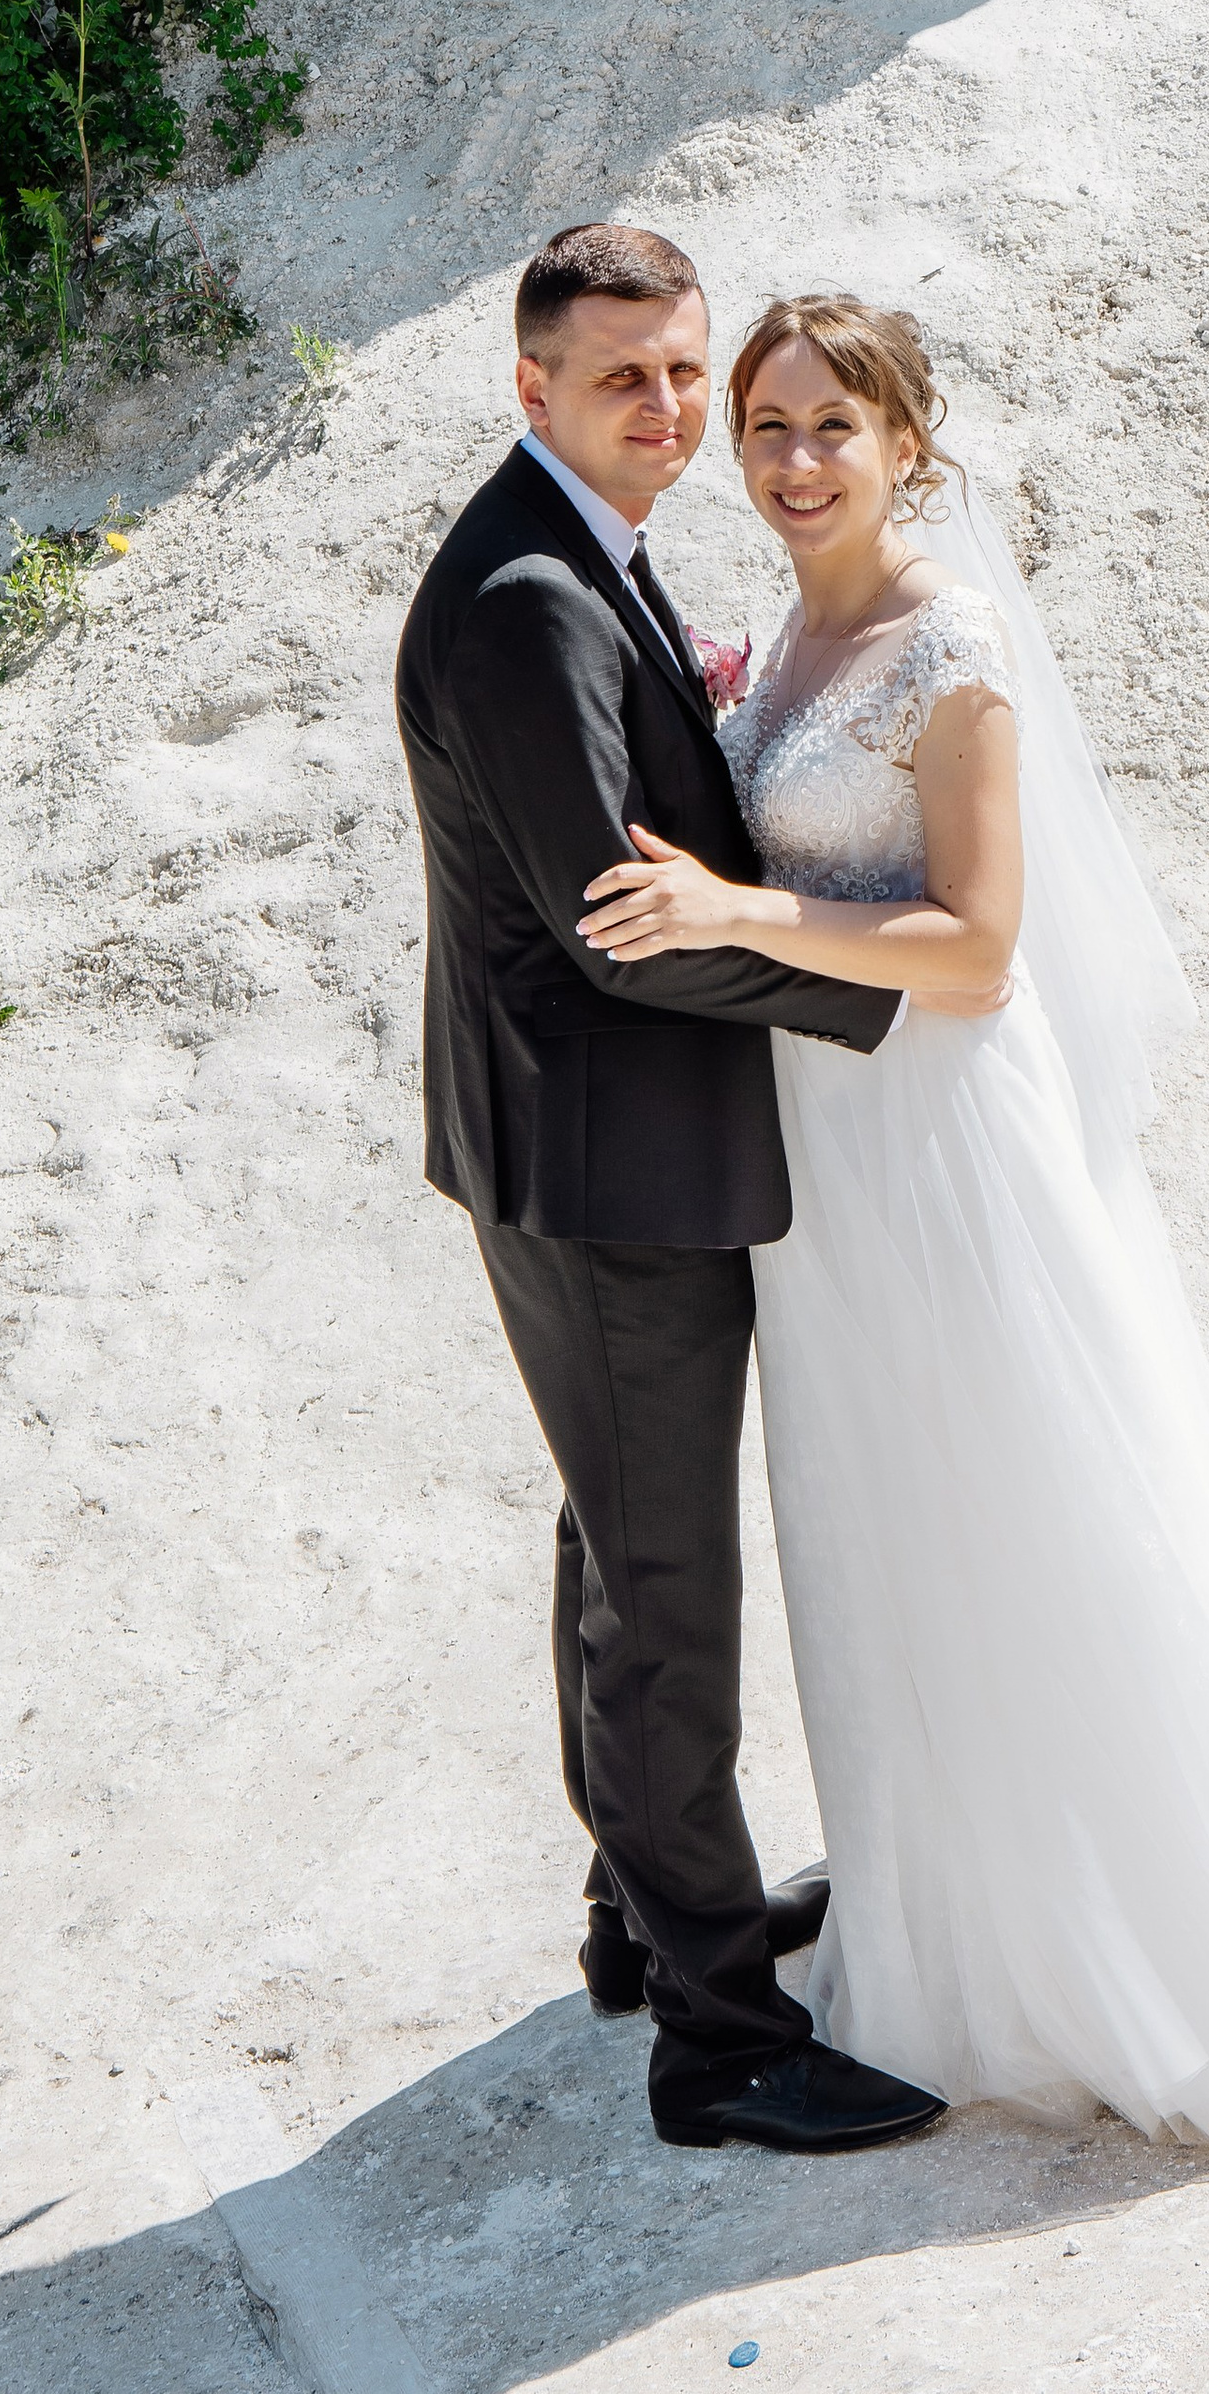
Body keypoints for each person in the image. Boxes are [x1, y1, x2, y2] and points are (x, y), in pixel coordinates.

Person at [578, 293, 1209, 2148]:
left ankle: (1154, 1954)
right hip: (824, 1159)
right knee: (887, 1537)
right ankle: (963, 1926)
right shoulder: (781, 643)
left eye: (834, 426)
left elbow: (977, 949)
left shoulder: (951, 644)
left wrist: (738, 913)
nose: (795, 459)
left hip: (945, 1139)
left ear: (907, 444)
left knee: (1022, 1510)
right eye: (768, 426)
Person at [394, 224, 953, 2158]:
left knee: (615, 1537)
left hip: (574, 1141)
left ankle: (638, 1917)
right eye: (621, 373)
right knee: (663, 1591)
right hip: (602, 1162)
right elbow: (619, 933)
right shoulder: (528, 598)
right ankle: (716, 2041)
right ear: (531, 385)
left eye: (682, 370)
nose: (666, 405)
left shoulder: (584, 548)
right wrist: (874, 991)